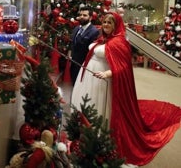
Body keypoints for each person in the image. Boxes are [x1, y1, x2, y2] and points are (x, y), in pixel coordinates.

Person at [71, 12, 181, 166]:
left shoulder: (120, 41)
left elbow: (123, 67)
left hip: (104, 80)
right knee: (88, 102)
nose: (106, 25)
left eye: (110, 22)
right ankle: (83, 129)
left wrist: (108, 73)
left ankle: (99, 134)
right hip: (89, 76)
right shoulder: (102, 39)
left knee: (102, 107)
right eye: (104, 22)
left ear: (116, 24)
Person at [69, 6, 100, 86]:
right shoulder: (76, 29)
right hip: (74, 64)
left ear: (90, 18)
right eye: (80, 15)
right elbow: (73, 44)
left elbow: (92, 51)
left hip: (85, 66)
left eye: (85, 15)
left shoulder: (94, 32)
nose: (82, 17)